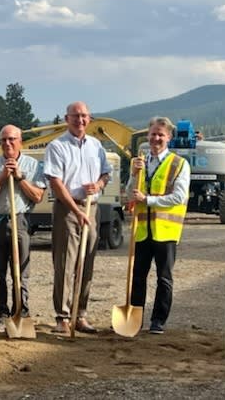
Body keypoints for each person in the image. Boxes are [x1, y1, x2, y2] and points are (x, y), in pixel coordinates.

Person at [43, 101, 112, 334]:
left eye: (84, 116)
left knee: (87, 263)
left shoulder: (96, 146)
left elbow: (105, 173)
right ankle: (62, 316)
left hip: (92, 208)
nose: (80, 120)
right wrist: (76, 210)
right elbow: (56, 182)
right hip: (67, 210)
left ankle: (80, 314)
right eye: (75, 116)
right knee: (65, 263)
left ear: (89, 119)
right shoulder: (57, 146)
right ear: (66, 118)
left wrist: (99, 184)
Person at [0, 124, 46, 333]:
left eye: (11, 139)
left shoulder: (34, 166)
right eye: (3, 140)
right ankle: (1, 315)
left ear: (20, 141)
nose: (7, 143)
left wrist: (19, 177)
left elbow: (37, 196)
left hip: (20, 220)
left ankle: (21, 313)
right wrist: (1, 178)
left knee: (20, 271)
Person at [127, 116, 190, 335]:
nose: (156, 138)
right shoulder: (140, 163)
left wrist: (149, 200)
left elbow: (179, 197)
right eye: (153, 134)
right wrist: (133, 175)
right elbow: (129, 194)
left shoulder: (179, 164)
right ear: (147, 135)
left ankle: (158, 321)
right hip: (143, 231)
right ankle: (134, 318)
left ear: (169, 137)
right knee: (138, 277)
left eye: (160, 135)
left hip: (166, 232)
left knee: (164, 278)